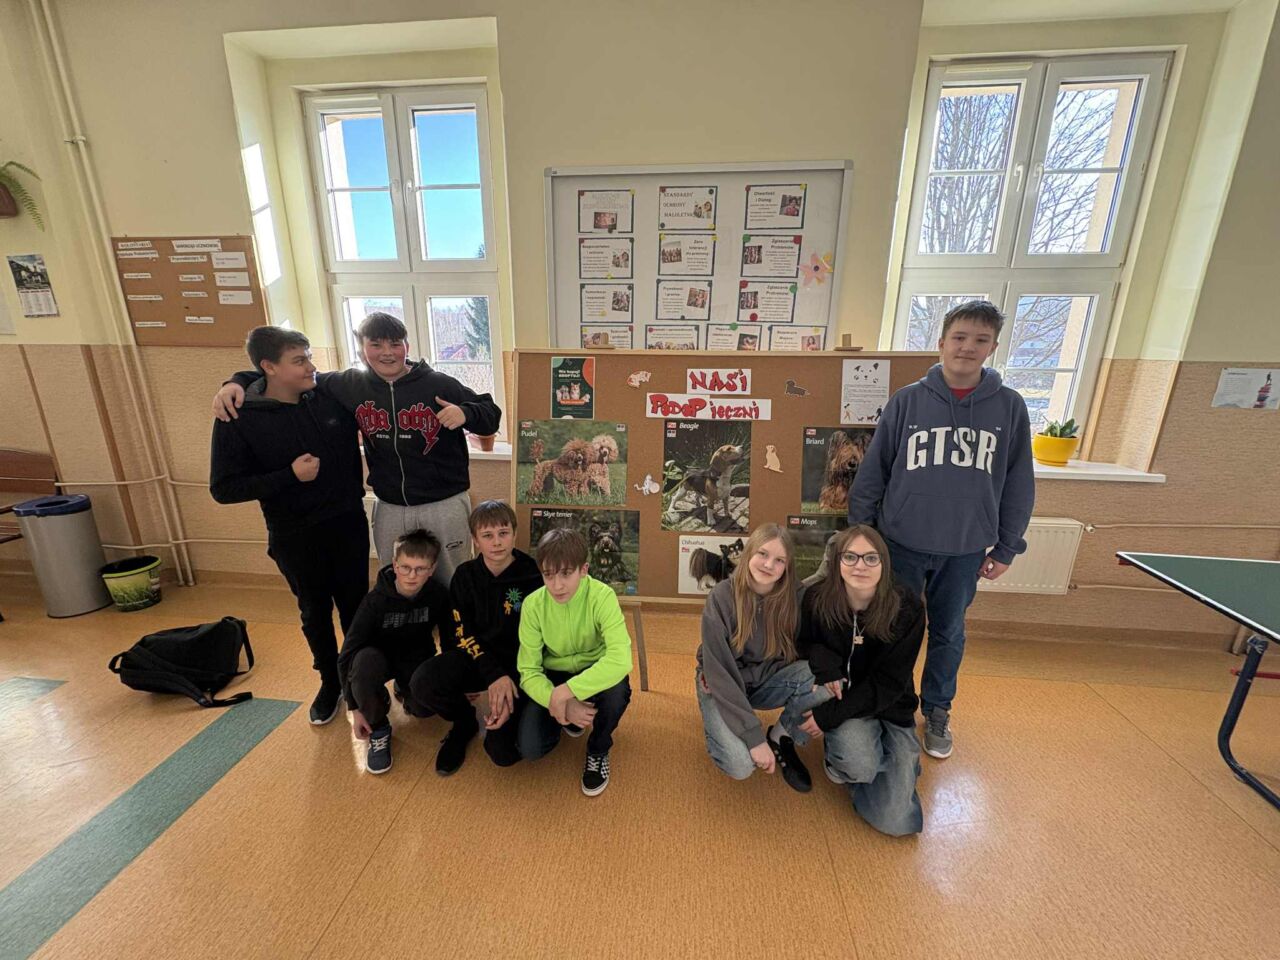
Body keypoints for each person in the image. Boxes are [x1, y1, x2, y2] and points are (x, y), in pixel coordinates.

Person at [849, 299, 1034, 760]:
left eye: (980, 340)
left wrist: (1007, 547)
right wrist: (862, 533)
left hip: (965, 549)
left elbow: (1018, 482)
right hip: (900, 543)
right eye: (959, 337)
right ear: (941, 342)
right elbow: (874, 470)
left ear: (993, 348)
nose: (967, 347)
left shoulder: (1009, 407)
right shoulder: (908, 400)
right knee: (890, 627)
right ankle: (889, 702)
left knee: (949, 632)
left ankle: (936, 710)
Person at [212, 311, 502, 585]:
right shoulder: (348, 384)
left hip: (443, 502)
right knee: (396, 582)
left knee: (452, 579)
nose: (387, 352)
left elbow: (491, 413)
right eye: (376, 344)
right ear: (362, 350)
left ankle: (454, 623)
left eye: (395, 344)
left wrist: (466, 413)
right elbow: (284, 375)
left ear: (407, 346)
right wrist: (236, 382)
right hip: (390, 505)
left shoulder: (438, 384)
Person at [209, 326, 368, 725]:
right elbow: (223, 489)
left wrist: (235, 378)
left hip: (347, 523)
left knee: (356, 607)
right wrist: (288, 476)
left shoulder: (327, 396)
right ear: (269, 367)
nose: (311, 366)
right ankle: (330, 682)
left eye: (309, 356)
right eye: (299, 361)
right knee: (315, 613)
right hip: (295, 533)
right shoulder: (238, 415)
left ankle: (360, 679)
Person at [800, 525, 925, 836]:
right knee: (859, 766)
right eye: (850, 557)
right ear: (837, 561)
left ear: (884, 562)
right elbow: (804, 643)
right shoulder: (816, 597)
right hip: (847, 702)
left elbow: (890, 682)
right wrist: (826, 664)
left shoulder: (908, 607)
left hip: (890, 704)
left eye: (871, 558)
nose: (860, 566)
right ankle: (856, 762)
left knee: (896, 822)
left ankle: (899, 762)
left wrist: (827, 717)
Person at [411, 500, 544, 776]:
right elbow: (460, 633)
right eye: (487, 535)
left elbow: (537, 638)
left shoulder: (532, 574)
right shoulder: (465, 576)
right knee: (423, 682)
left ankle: (524, 713)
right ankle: (464, 723)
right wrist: (490, 675)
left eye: (503, 533)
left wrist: (508, 678)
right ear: (474, 540)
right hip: (477, 660)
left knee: (503, 753)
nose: (497, 542)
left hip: (518, 667)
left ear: (515, 534)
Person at [695, 523, 828, 793]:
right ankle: (730, 730)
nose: (769, 565)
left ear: (787, 567)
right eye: (763, 554)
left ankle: (782, 737)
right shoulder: (722, 596)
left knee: (825, 679)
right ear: (749, 554)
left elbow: (816, 647)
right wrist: (753, 738)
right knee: (740, 765)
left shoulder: (797, 597)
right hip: (721, 682)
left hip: (768, 677)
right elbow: (719, 670)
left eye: (779, 560)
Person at [516, 528, 632, 796]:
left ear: (583, 570)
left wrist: (566, 693)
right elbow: (528, 671)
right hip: (555, 675)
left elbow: (621, 659)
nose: (557, 585)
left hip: (594, 670)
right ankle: (569, 720)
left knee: (617, 693)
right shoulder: (533, 605)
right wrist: (562, 704)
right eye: (548, 575)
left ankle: (598, 749)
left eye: (566, 574)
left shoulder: (602, 596)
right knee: (530, 749)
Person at [338, 529, 451, 775]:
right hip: (377, 660)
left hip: (415, 657)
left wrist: (457, 681)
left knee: (424, 710)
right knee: (363, 664)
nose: (412, 575)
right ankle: (379, 726)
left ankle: (403, 688)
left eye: (420, 569)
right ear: (395, 565)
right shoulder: (374, 602)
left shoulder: (438, 595)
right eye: (405, 567)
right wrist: (354, 708)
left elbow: (450, 639)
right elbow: (346, 655)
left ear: (432, 569)